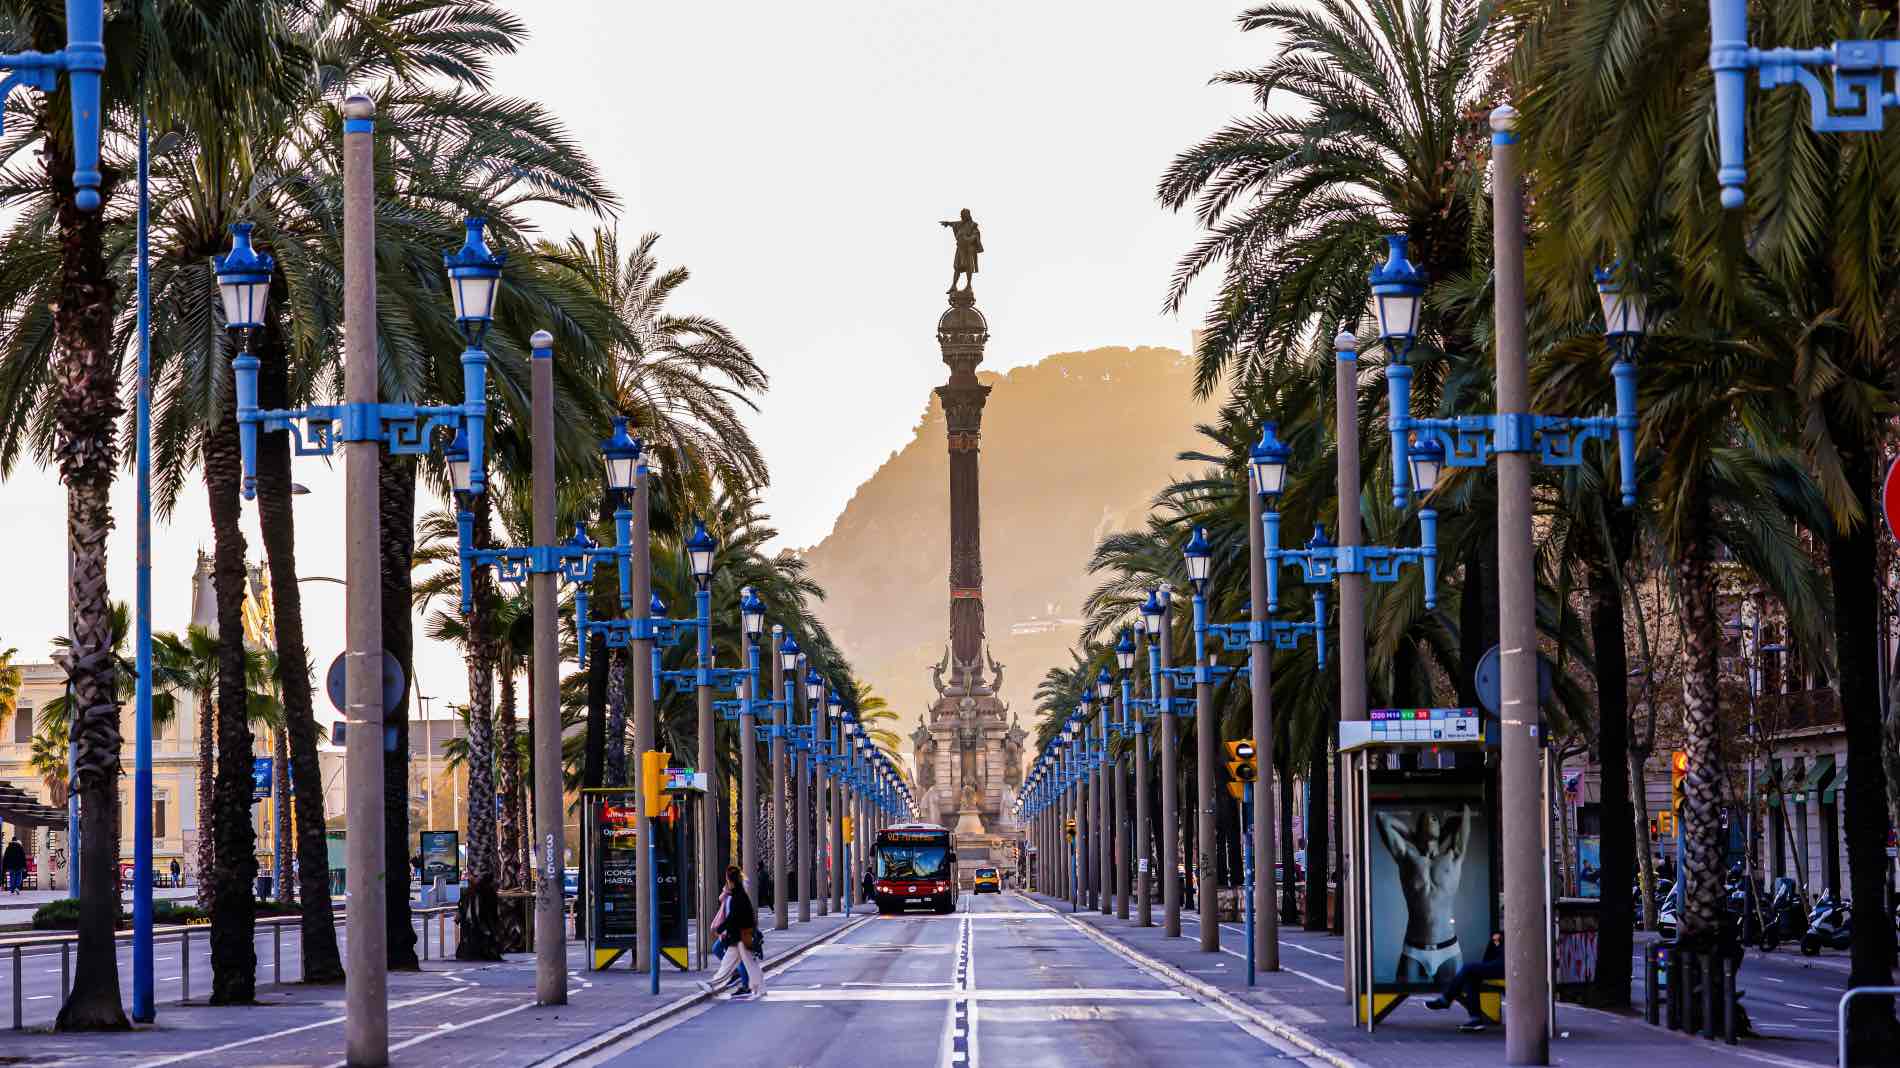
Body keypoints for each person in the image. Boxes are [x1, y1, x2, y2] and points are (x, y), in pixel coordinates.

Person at [1374, 804, 1473, 984]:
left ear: (1440, 828)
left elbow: (1465, 812)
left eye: (1434, 819)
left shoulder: (1453, 855)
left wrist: (1440, 832)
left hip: (1448, 950)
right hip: (1414, 950)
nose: (1429, 821)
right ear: (1417, 829)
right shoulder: (1407, 856)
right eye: (1424, 820)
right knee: (1402, 1004)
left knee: (1455, 1004)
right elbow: (1382, 818)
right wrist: (1413, 836)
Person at [698, 866, 763, 1000]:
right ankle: (759, 988)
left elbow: (733, 917)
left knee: (730, 964)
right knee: (748, 964)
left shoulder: (737, 896)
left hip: (740, 937)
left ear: (730, 880)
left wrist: (721, 929)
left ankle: (712, 984)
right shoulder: (740, 895)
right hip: (744, 936)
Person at [1424, 929, 1503, 1032]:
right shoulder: (1500, 935)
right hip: (1500, 964)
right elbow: (1491, 954)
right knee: (1471, 975)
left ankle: (1446, 999)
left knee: (1468, 968)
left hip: (1508, 966)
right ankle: (1475, 1020)